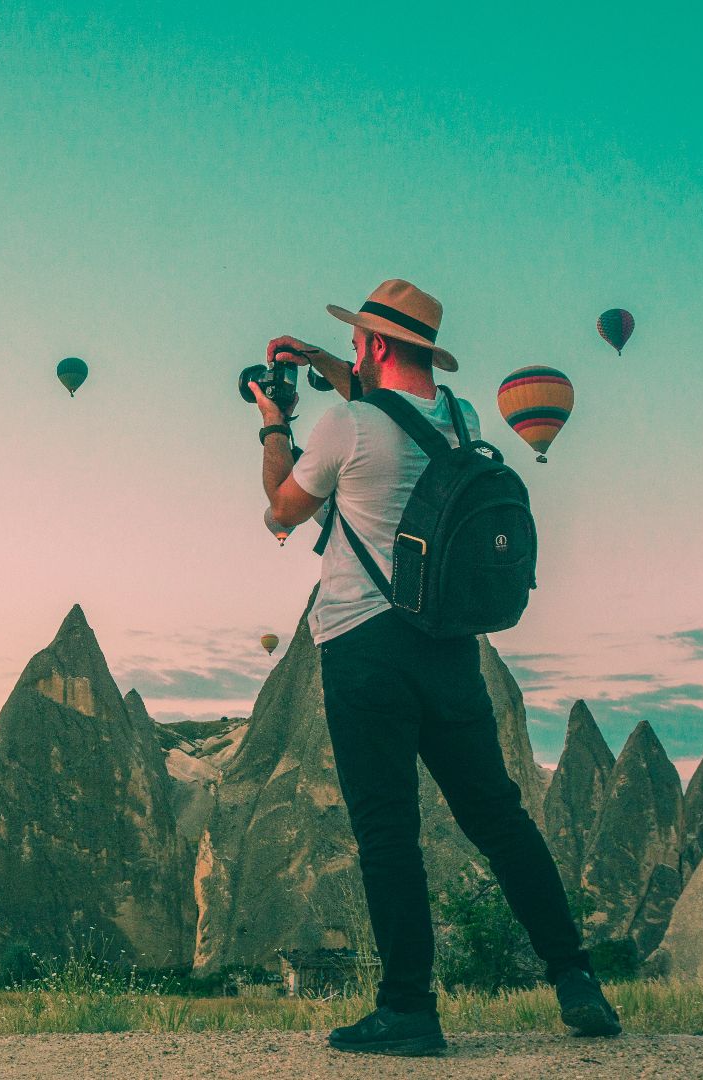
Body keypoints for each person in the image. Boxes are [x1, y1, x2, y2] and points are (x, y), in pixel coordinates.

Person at [251, 279, 621, 1056]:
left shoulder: (341, 426)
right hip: (452, 649)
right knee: (499, 817)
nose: (351, 352)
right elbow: (393, 406)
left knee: (388, 831)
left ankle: (410, 1009)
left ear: (377, 346)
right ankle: (575, 977)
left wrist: (273, 426)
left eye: (357, 341)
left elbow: (283, 510)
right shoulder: (462, 421)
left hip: (363, 648)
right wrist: (320, 356)